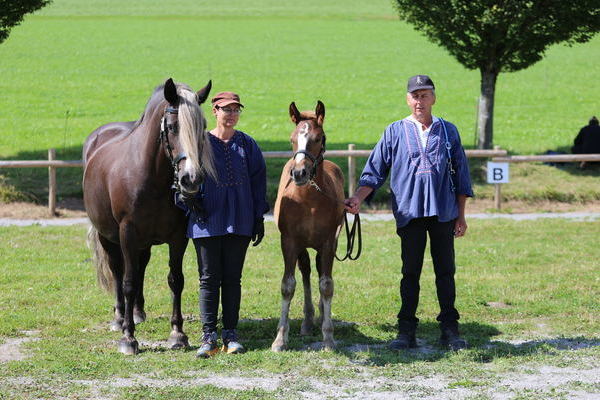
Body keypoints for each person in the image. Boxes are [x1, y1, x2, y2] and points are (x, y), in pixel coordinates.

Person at [344, 75, 473, 351]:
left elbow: (461, 175)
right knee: (410, 273)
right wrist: (357, 198)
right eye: (415, 95)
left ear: (434, 98)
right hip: (409, 212)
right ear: (407, 99)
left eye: (425, 95)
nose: (419, 101)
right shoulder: (394, 131)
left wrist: (461, 215)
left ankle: (450, 330)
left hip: (444, 213)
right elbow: (375, 171)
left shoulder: (449, 131)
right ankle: (406, 332)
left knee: (445, 272)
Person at [178, 91, 269, 358]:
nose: (231, 114)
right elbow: (182, 177)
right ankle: (208, 337)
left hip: (239, 219)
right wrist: (188, 200)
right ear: (214, 112)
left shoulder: (248, 144)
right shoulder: (199, 143)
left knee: (232, 279)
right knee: (208, 278)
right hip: (207, 220)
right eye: (225, 109)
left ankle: (230, 334)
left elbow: (258, 182)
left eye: (235, 110)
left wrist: (258, 216)